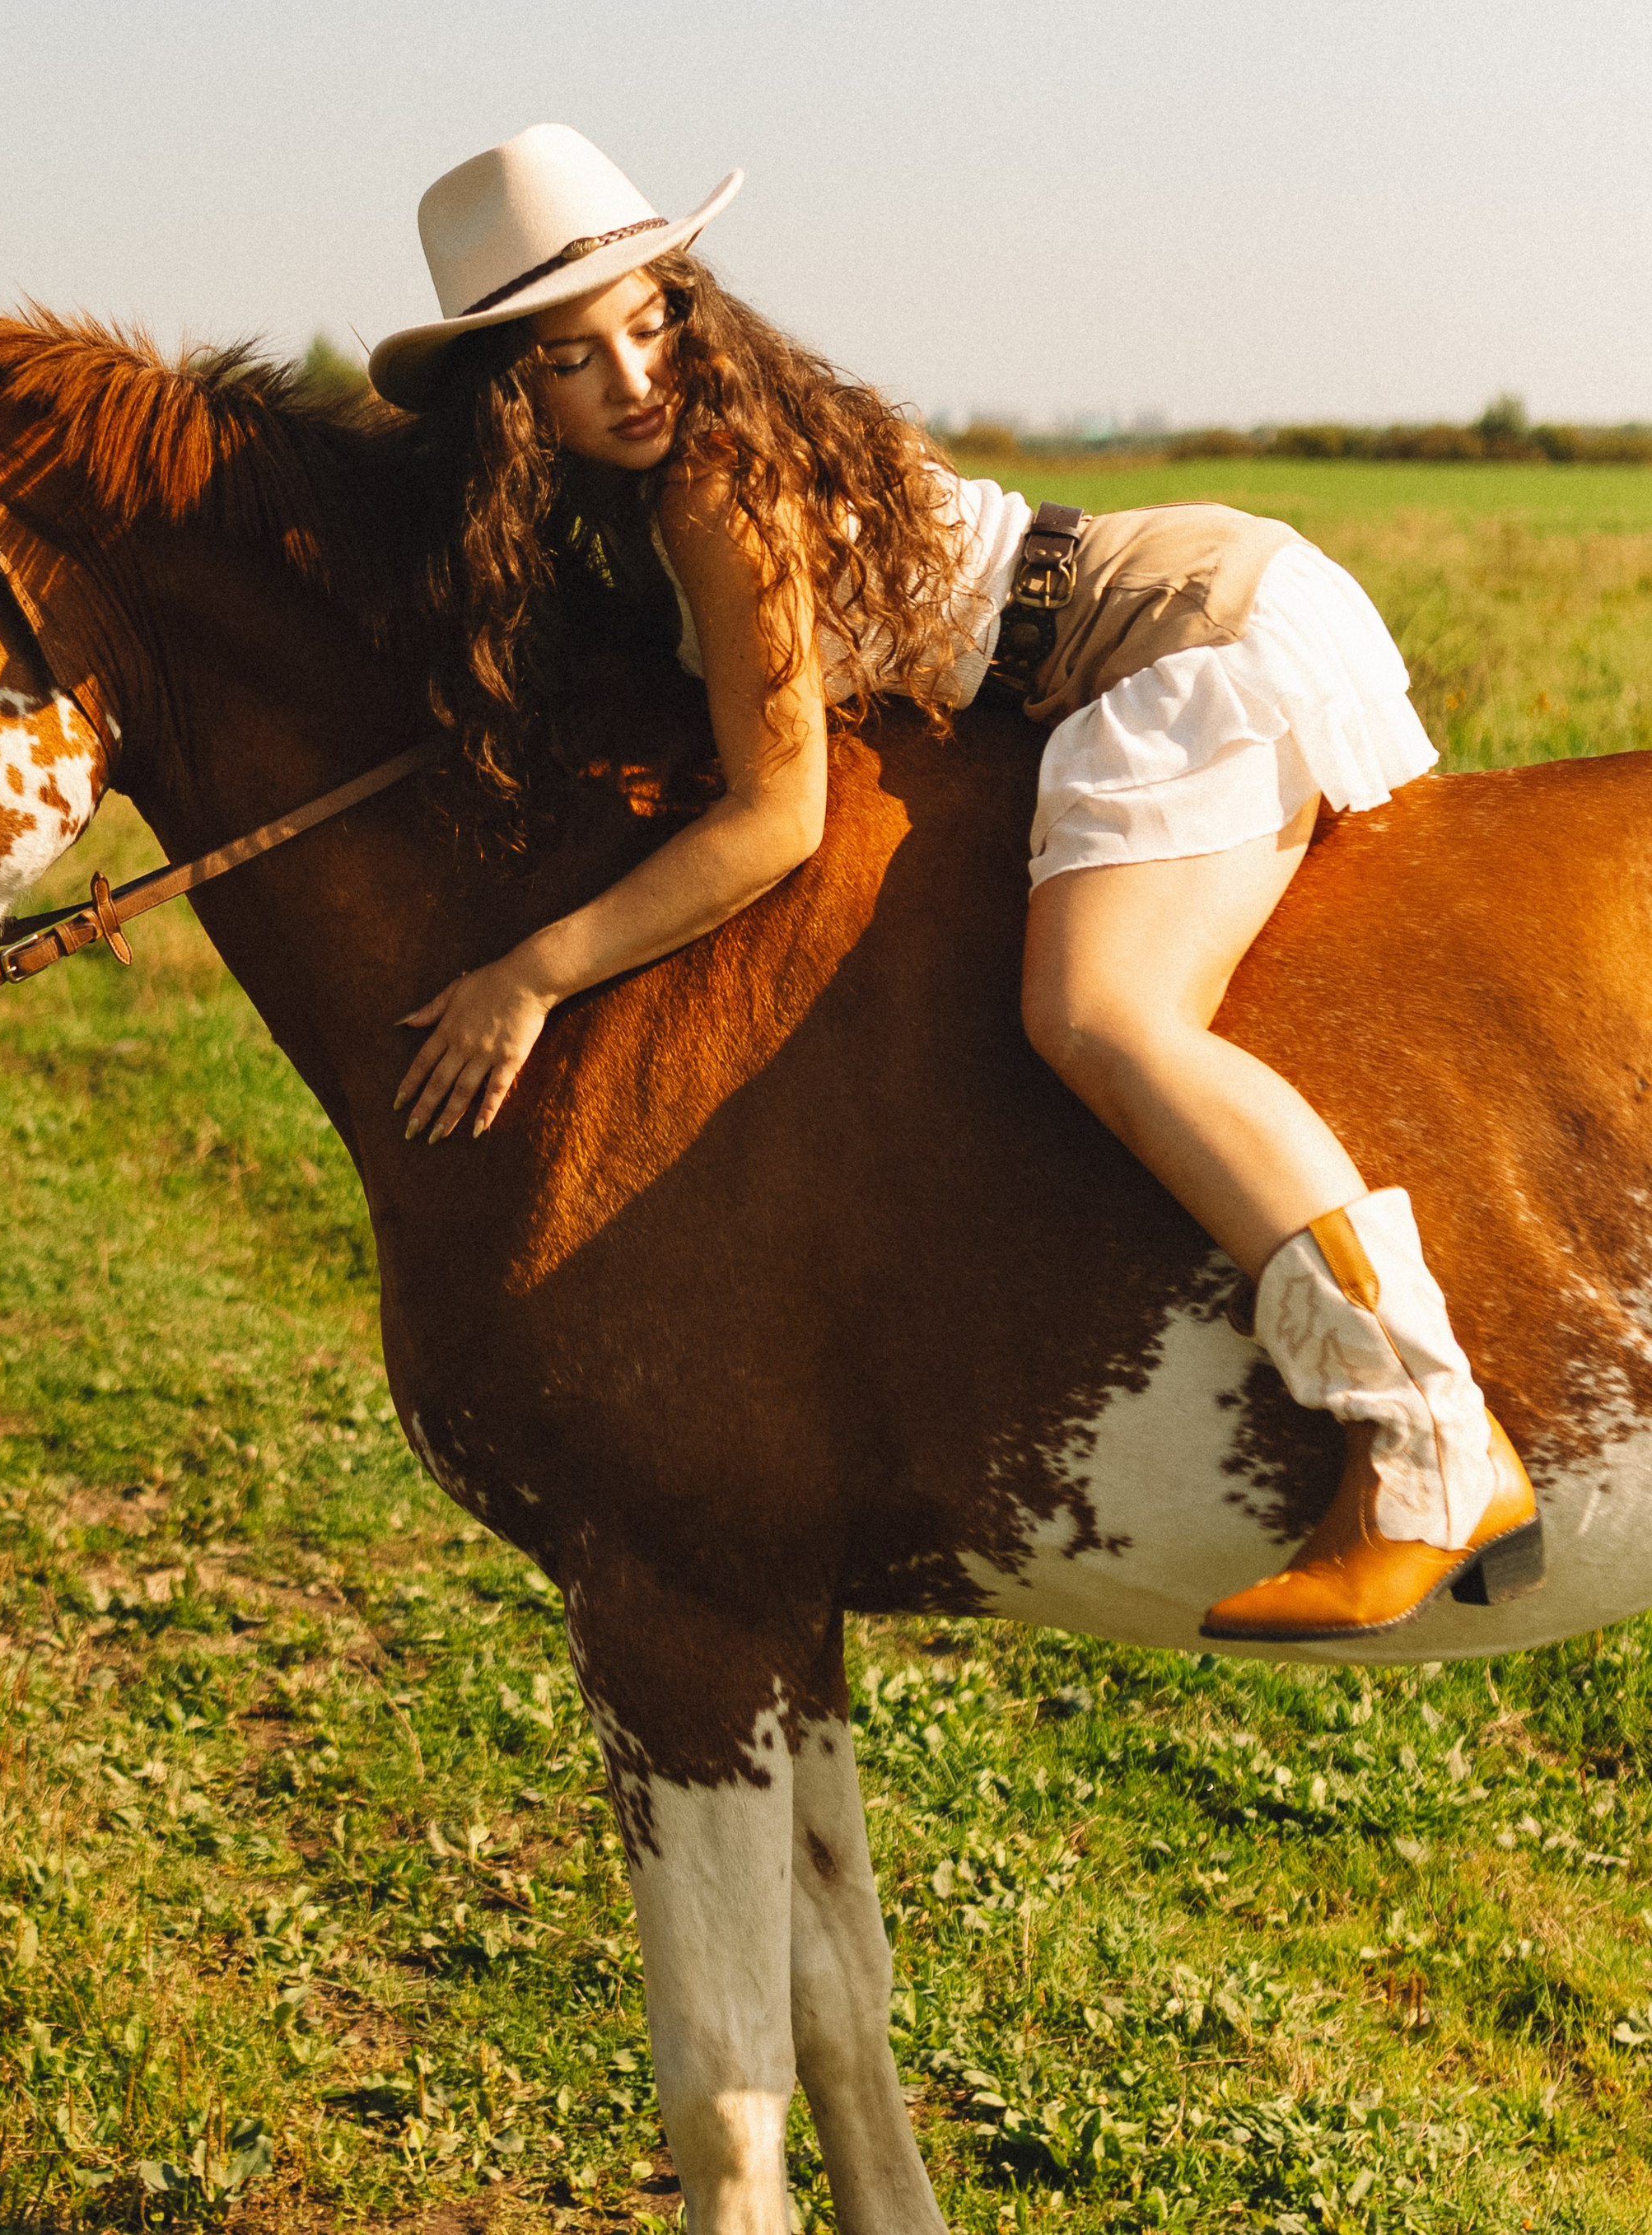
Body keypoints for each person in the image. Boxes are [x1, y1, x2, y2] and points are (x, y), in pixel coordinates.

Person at [367, 124, 1539, 1637]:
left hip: (1187, 634)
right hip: (1189, 598)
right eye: (569, 361)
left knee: (1104, 1018)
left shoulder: (715, 488)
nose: (634, 378)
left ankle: (1430, 1444)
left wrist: (534, 970)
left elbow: (776, 818)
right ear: (508, 405)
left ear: (693, 305)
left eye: (652, 321)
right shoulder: (668, 492)